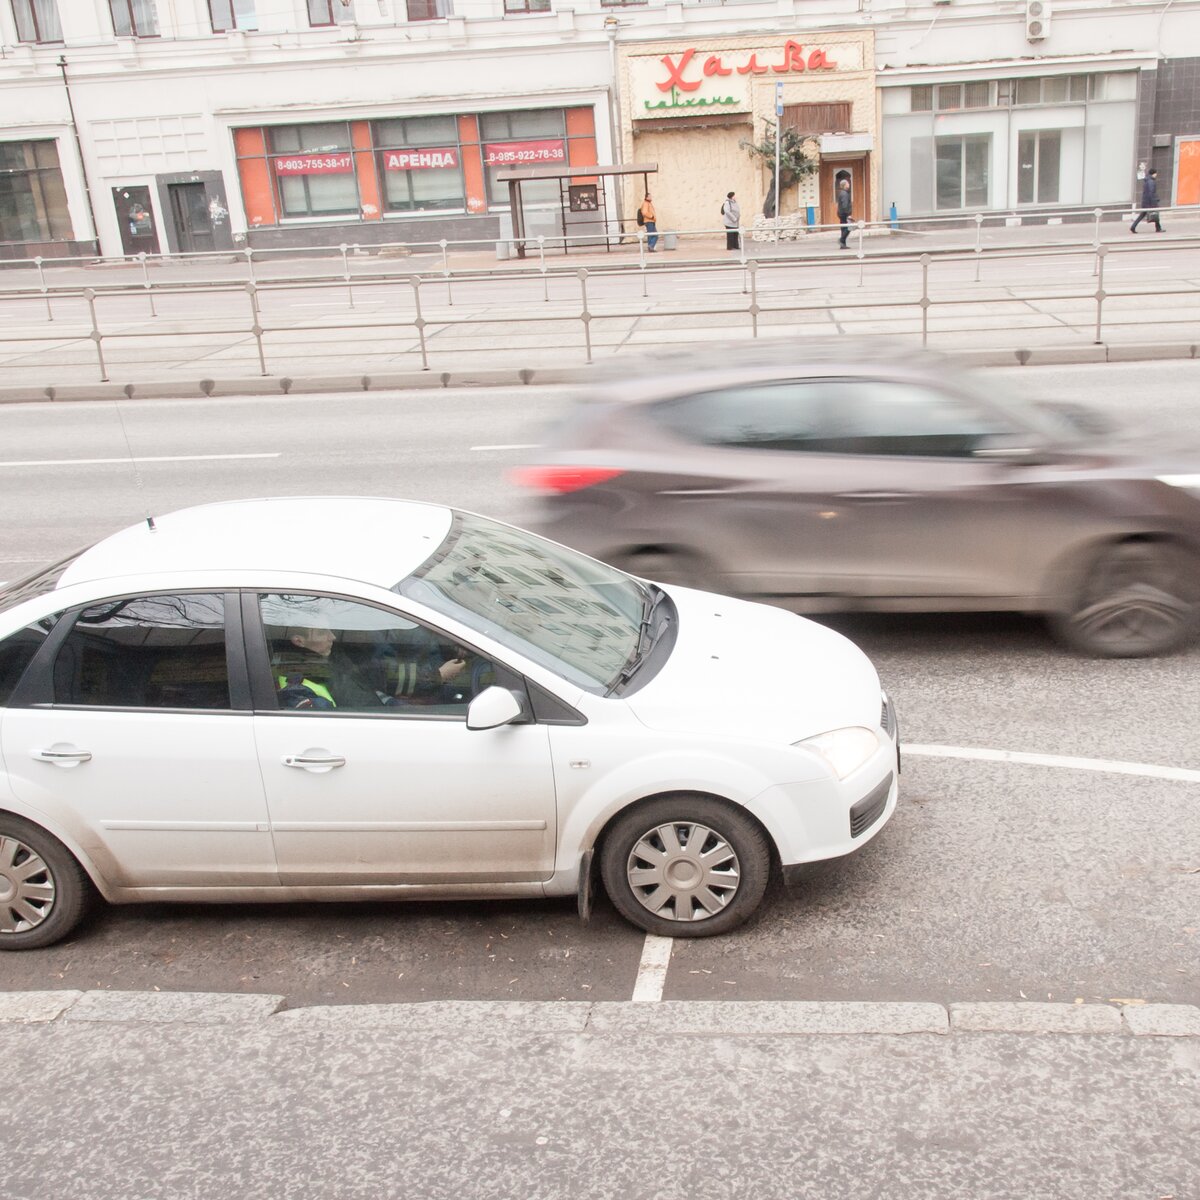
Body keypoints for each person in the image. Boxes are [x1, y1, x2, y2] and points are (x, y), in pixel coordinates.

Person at [274, 625, 466, 711]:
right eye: (322, 632)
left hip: (381, 708)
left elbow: (377, 673)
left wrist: (436, 676)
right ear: (299, 641)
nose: (332, 636)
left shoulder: (326, 654)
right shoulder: (296, 689)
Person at [1130, 168, 1164, 233]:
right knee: (1155, 214)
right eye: (1156, 173)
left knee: (1142, 215)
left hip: (1146, 202)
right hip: (1150, 202)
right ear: (1153, 174)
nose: (1156, 175)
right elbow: (1151, 192)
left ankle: (1133, 227)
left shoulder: (1147, 180)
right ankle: (1158, 228)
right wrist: (1154, 202)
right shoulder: (1151, 181)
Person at [836, 179, 853, 249]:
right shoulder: (844, 194)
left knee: (843, 228)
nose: (849, 184)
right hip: (844, 214)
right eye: (848, 183)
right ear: (845, 185)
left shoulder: (842, 193)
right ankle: (841, 240)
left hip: (841, 213)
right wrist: (848, 214)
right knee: (849, 228)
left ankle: (843, 245)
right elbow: (845, 205)